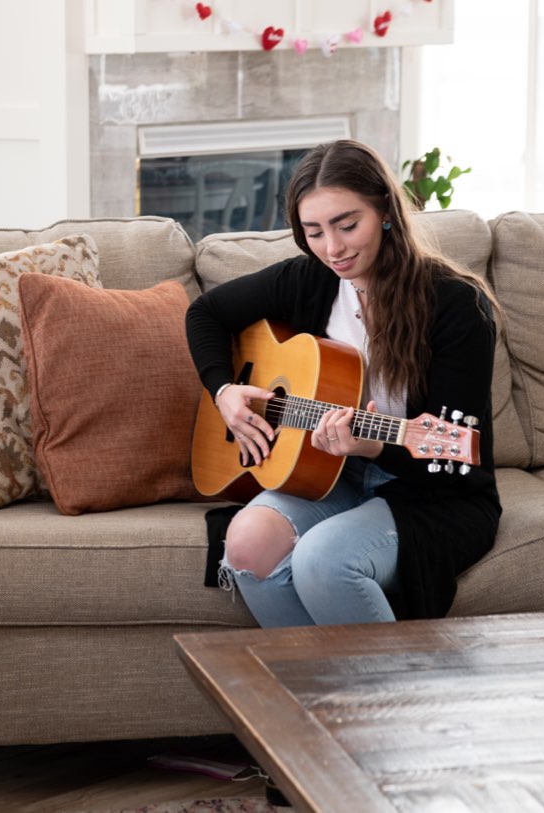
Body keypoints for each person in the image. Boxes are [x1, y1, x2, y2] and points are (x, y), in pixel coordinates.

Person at [186, 138, 501, 627]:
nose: (332, 248)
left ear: (386, 212)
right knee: (247, 542)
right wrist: (225, 392)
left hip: (431, 492)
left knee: (323, 560)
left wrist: (373, 448)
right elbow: (205, 313)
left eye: (347, 225)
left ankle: (386, 702)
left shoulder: (456, 307)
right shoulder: (311, 279)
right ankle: (321, 700)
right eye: (313, 232)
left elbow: (451, 452)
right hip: (329, 474)